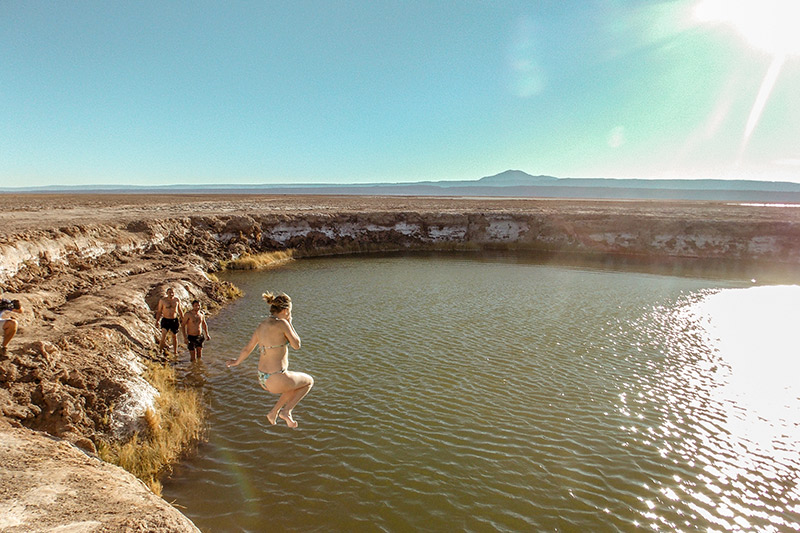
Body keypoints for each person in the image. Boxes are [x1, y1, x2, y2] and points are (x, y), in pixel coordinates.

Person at [227, 292, 313, 428]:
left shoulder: (262, 325)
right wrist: (290, 323)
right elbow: (297, 345)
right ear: (285, 311)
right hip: (276, 378)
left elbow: (247, 348)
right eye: (290, 311)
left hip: (262, 379)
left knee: (293, 384)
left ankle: (274, 412)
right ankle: (286, 411)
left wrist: (236, 362)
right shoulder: (283, 323)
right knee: (308, 382)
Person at [156, 287, 184, 355]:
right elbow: (159, 311)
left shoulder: (177, 300)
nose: (171, 294)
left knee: (174, 336)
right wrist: (157, 320)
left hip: (174, 320)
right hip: (165, 320)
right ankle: (160, 350)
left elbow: (180, 310)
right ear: (166, 293)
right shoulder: (163, 301)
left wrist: (183, 319)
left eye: (172, 293)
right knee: (164, 335)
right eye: (169, 293)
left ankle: (175, 351)